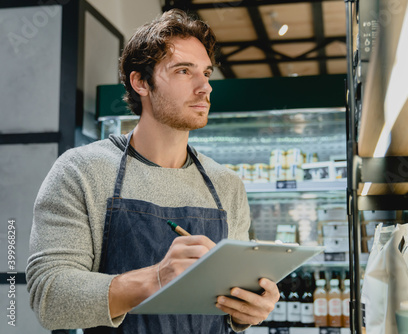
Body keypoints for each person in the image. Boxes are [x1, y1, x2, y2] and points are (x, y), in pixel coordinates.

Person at [27, 9, 279, 333]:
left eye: (206, 72)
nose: (205, 87)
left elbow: (232, 298)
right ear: (141, 82)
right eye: (184, 71)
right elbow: (50, 299)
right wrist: (156, 278)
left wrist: (248, 310)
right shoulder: (81, 171)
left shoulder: (227, 185)